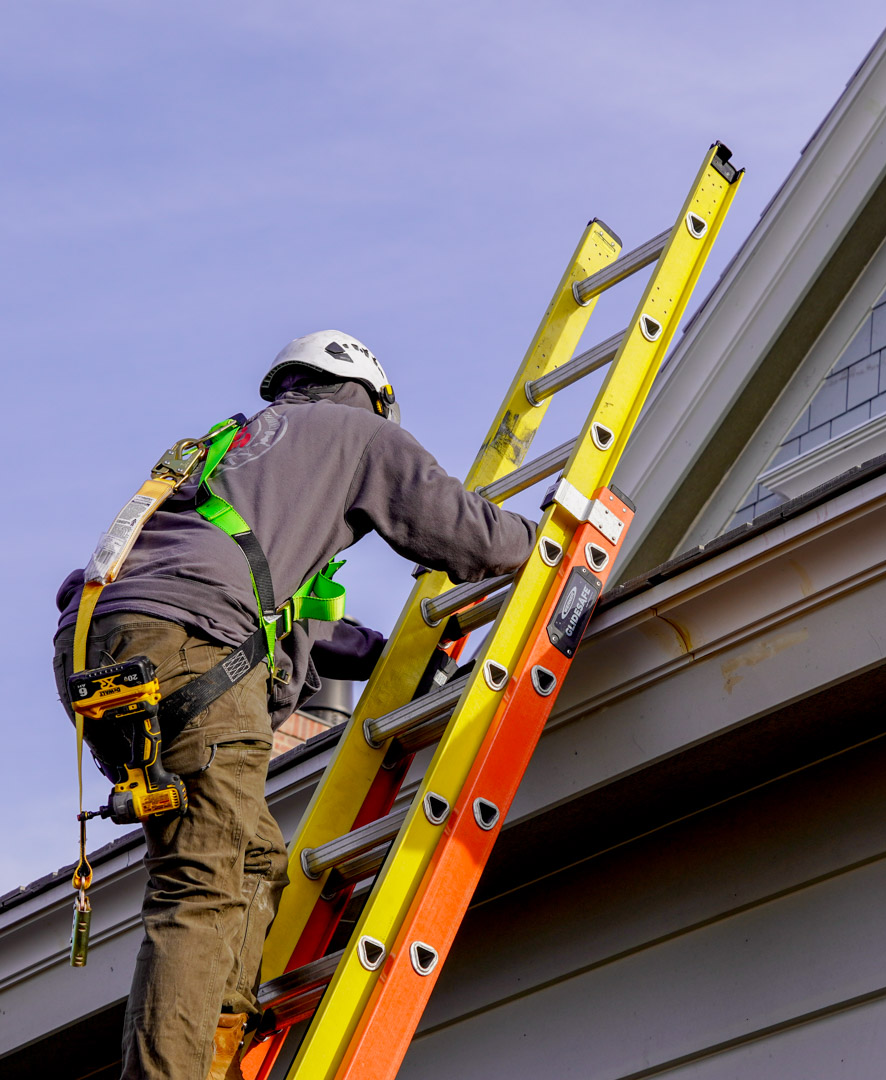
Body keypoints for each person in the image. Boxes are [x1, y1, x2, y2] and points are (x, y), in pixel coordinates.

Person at [53, 330, 537, 1080]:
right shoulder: (360, 430)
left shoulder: (234, 449)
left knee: (254, 856)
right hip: (194, 645)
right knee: (201, 883)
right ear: (368, 393)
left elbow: (298, 626)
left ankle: (216, 1048)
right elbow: (466, 534)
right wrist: (547, 543)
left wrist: (393, 658)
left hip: (97, 646)